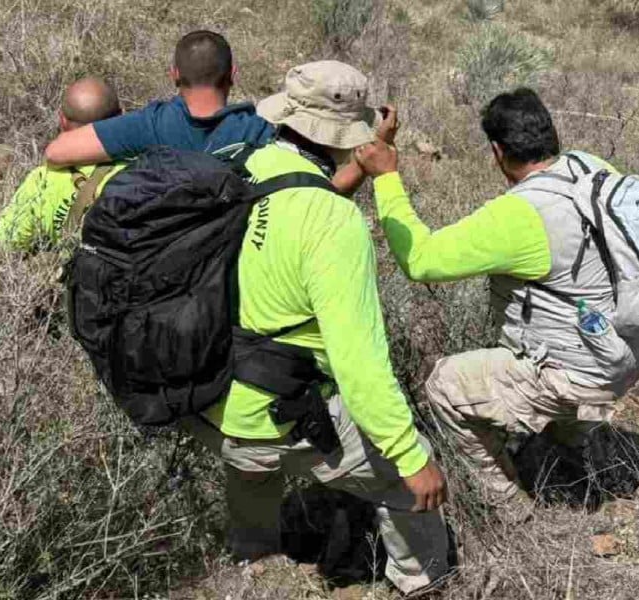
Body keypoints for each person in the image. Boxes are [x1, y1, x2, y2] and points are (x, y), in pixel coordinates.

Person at [178, 61, 450, 595]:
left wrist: (362, 166)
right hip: (279, 415)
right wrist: (411, 457)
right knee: (405, 483)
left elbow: (297, 199)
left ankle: (253, 560)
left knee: (251, 468)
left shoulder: (241, 166)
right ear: (346, 132)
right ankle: (425, 582)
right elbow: (360, 364)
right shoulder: (335, 224)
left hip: (206, 400)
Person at [355, 88, 639, 519]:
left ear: (496, 150)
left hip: (579, 370)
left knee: (445, 385)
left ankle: (509, 506)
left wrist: (385, 178)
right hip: (625, 348)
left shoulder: (520, 215)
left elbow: (421, 259)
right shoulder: (593, 168)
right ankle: (570, 445)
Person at [43, 30, 387, 195]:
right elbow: (325, 194)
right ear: (233, 76)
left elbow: (57, 153)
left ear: (174, 74)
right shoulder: (262, 133)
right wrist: (369, 156)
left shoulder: (149, 124)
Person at [0, 77, 125, 252]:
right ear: (121, 116)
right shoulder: (144, 164)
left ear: (62, 120)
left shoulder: (41, 180)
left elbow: (7, 241)